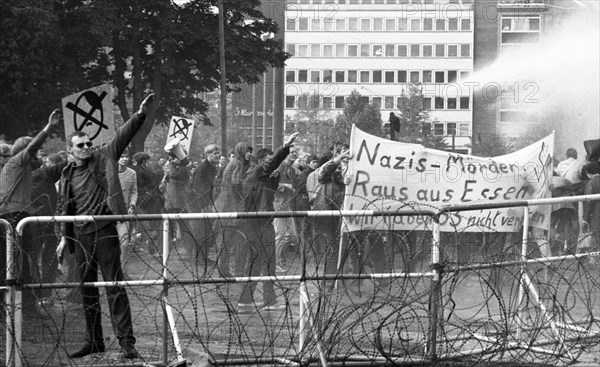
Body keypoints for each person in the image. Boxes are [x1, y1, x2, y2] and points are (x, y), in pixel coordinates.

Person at [55, 94, 154, 359]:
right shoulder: (67, 174)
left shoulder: (103, 157)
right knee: (87, 290)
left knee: (114, 287)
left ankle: (126, 343)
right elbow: (66, 207)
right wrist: (64, 238)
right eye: (81, 145)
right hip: (81, 236)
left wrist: (140, 115)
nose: (87, 147)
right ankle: (94, 340)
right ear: (71, 151)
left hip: (105, 230)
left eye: (88, 143)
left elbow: (122, 136)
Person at [0, 109, 60, 319]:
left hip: (18, 216)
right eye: (35, 152)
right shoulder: (17, 162)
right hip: (13, 217)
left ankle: (25, 307)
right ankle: (16, 308)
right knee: (14, 264)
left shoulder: (19, 168)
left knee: (23, 264)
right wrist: (48, 128)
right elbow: (33, 146)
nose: (39, 155)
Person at [237, 132, 299, 313]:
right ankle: (269, 301)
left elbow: (269, 182)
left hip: (255, 221)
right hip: (259, 221)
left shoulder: (259, 176)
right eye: (271, 163)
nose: (274, 167)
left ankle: (246, 300)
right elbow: (269, 164)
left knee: (255, 262)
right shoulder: (256, 171)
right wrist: (285, 146)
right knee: (268, 261)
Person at [31, 153, 67, 305]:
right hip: (46, 221)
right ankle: (45, 294)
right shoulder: (44, 173)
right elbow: (67, 163)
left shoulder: (12, 174)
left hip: (27, 222)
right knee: (49, 259)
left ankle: (33, 294)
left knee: (30, 259)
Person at [213, 142, 252, 277]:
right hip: (232, 205)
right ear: (241, 151)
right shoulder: (238, 163)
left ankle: (224, 269)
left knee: (227, 241)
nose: (249, 154)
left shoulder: (234, 162)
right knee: (234, 240)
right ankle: (234, 270)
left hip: (225, 204)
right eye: (247, 151)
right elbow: (236, 183)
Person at [188, 144, 220, 270]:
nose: (218, 155)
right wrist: (204, 205)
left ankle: (203, 256)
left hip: (205, 202)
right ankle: (197, 258)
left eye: (218, 153)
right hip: (197, 204)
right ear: (208, 155)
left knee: (207, 231)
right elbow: (197, 189)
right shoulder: (202, 168)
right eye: (215, 153)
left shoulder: (212, 167)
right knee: (200, 231)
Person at [273, 146, 300, 272]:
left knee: (293, 235)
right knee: (280, 235)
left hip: (287, 205)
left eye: (296, 152)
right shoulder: (279, 167)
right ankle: (278, 262)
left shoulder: (293, 170)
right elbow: (270, 184)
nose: (294, 154)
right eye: (292, 152)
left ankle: (279, 259)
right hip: (278, 205)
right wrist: (285, 185)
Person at [131, 152, 163, 254]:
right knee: (152, 223)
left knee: (140, 225)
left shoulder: (133, 169)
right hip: (147, 200)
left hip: (138, 200)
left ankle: (140, 244)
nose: (148, 162)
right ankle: (149, 243)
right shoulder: (143, 171)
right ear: (144, 161)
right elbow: (148, 183)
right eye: (147, 160)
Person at [116, 153, 138, 265]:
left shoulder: (132, 173)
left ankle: (122, 270)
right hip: (108, 213)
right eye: (121, 156)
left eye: (126, 156)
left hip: (124, 213)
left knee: (124, 243)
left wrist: (132, 205)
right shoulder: (109, 173)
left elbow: (134, 191)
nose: (124, 159)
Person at [582, 161, 600, 258]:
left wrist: (585, 217)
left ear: (588, 173)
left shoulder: (592, 183)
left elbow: (588, 202)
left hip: (596, 214)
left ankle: (595, 259)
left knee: (596, 237)